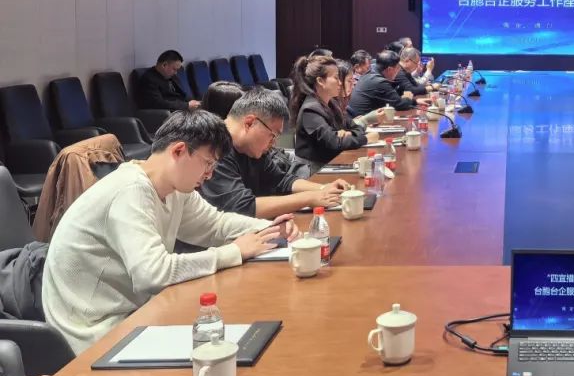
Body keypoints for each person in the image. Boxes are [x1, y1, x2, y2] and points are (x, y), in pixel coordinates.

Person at [42, 110, 298, 355]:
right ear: (179, 150)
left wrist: (267, 228)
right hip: (95, 333)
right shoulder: (130, 191)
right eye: (208, 163)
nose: (209, 175)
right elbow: (152, 273)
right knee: (221, 344)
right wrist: (233, 252)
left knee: (230, 332)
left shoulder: (174, 188)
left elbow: (215, 224)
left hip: (135, 312)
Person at [199, 87, 352, 217]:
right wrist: (308, 198)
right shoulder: (212, 147)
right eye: (273, 135)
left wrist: (323, 188)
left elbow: (280, 180)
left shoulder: (251, 148)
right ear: (249, 123)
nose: (274, 143)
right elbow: (241, 207)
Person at [290, 55, 381, 171]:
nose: (340, 83)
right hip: (312, 171)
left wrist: (348, 134)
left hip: (329, 164)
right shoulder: (310, 110)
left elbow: (355, 127)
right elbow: (334, 143)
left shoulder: (332, 103)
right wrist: (366, 139)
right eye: (336, 78)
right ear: (320, 81)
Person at [348, 51, 416, 116]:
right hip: (362, 121)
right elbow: (399, 105)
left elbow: (394, 100)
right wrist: (409, 98)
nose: (398, 71)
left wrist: (413, 101)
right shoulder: (379, 81)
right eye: (397, 68)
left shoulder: (371, 72)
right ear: (389, 69)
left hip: (359, 118)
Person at [135, 50, 199, 111]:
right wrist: (186, 105)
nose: (176, 73)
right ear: (164, 65)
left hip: (181, 109)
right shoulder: (149, 79)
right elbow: (159, 103)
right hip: (168, 113)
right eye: (174, 69)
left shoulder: (171, 76)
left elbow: (182, 95)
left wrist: (194, 103)